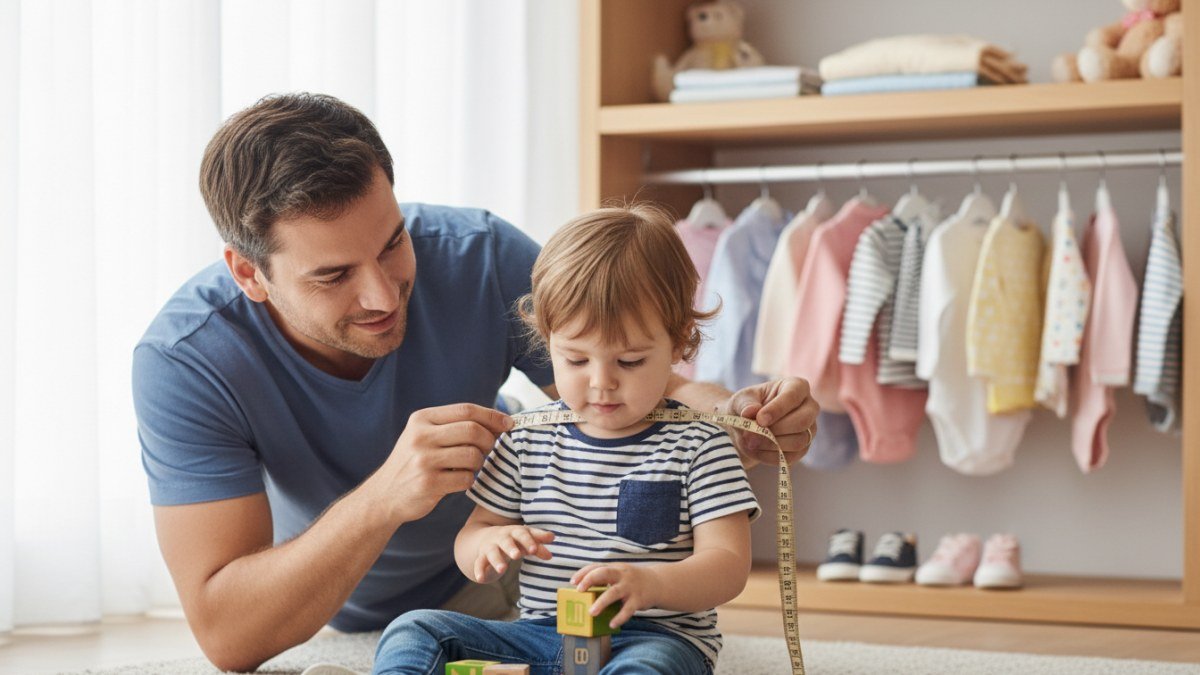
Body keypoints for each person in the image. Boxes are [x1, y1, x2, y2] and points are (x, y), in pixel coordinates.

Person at [131, 93, 818, 672]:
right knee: (415, 639)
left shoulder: (479, 253)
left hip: (535, 577)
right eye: (334, 275)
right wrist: (386, 497)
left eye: (394, 241)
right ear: (248, 272)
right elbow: (228, 636)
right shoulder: (186, 359)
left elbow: (638, 382)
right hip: (358, 605)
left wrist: (731, 414)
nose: (383, 294)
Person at [372, 204, 759, 674]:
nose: (601, 382)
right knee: (414, 630)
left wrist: (649, 584)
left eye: (630, 361)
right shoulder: (523, 441)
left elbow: (728, 565)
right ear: (546, 340)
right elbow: (472, 535)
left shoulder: (701, 445)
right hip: (540, 635)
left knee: (652, 669)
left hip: (654, 636)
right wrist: (489, 544)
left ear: (679, 342)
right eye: (576, 360)